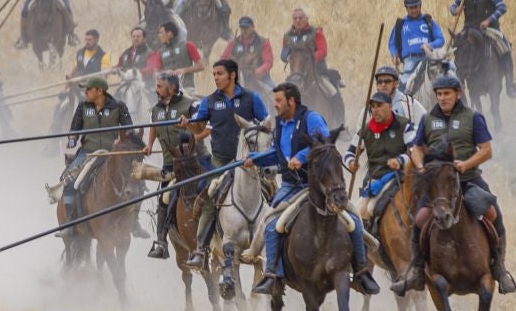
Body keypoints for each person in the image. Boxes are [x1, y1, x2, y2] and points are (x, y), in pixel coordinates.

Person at [248, 83, 378, 298]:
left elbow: (324, 144)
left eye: (279, 100)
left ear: (291, 101)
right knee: (271, 225)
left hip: (319, 186)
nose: (275, 104)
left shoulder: (312, 119)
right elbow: (277, 155)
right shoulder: (279, 123)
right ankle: (273, 275)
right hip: (290, 186)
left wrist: (300, 158)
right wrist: (254, 160)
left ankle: (361, 272)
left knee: (354, 219)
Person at [403, 74, 514, 294]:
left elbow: (486, 150)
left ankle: (499, 268)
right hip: (438, 185)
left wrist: (465, 164)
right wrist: (421, 166)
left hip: (468, 179)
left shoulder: (473, 117)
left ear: (458, 94)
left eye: (447, 93)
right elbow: (416, 148)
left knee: (494, 214)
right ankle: (416, 270)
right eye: (439, 94)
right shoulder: (427, 119)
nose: (442, 98)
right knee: (419, 220)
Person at [179, 58, 273, 269]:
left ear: (233, 75)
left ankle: (278, 244)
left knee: (272, 191)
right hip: (220, 162)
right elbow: (198, 128)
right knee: (210, 197)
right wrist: (189, 125)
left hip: (250, 162)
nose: (215, 78)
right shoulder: (210, 101)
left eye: (219, 73)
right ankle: (200, 249)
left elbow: (267, 124)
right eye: (213, 74)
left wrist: (262, 147)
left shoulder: (252, 99)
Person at [58, 77, 134, 225]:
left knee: (135, 183)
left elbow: (129, 132)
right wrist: (72, 139)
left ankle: (134, 222)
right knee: (69, 182)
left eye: (88, 89)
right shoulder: (82, 107)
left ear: (99, 91)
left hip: (112, 154)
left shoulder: (119, 107)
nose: (85, 92)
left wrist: (124, 143)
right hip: (87, 153)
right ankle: (70, 222)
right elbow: (74, 130)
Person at [140, 72, 196, 259]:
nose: (156, 90)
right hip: (169, 165)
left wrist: (190, 127)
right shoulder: (155, 109)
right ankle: (161, 242)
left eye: (160, 87)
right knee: (163, 199)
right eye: (156, 86)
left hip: (190, 162)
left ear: (172, 88)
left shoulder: (189, 105)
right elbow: (154, 126)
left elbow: (202, 127)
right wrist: (149, 145)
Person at [344, 90, 415, 234]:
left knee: (372, 208)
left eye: (379, 106)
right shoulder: (366, 130)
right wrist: (351, 163)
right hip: (375, 179)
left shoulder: (404, 125)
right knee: (357, 214)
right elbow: (349, 153)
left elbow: (414, 152)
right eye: (373, 107)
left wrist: (400, 160)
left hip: (400, 177)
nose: (375, 111)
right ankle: (365, 248)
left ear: (389, 106)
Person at [449, 0, 516, 97]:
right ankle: (459, 86)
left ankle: (510, 83)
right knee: (457, 50)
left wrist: (489, 20)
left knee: (505, 48)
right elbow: (453, 6)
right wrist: (455, 10)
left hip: (488, 29)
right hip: (468, 29)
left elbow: (502, 7)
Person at [386, 0, 446, 87]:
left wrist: (430, 45)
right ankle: (402, 101)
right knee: (403, 86)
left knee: (448, 75)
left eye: (416, 7)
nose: (414, 10)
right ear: (406, 8)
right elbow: (392, 44)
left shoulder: (428, 21)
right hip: (410, 60)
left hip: (429, 58)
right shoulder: (400, 24)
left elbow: (441, 39)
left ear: (420, 6)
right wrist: (394, 55)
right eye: (411, 8)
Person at [281, 7, 336, 89]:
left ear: (306, 19)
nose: (298, 20)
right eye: (295, 18)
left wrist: (311, 58)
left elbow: (323, 51)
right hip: (296, 72)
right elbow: (283, 54)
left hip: (317, 70)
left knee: (331, 91)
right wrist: (288, 57)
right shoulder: (288, 36)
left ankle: (337, 101)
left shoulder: (316, 33)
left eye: (300, 18)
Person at [220, 17, 274, 91]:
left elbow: (268, 62)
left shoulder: (263, 42)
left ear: (253, 27)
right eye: (242, 28)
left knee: (275, 93)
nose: (244, 30)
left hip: (261, 78)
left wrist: (257, 71)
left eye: (247, 27)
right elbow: (223, 59)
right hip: (238, 79)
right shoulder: (233, 43)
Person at [152, 21, 203, 91]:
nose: (159, 35)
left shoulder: (188, 45)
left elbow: (200, 66)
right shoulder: (159, 52)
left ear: (169, 34)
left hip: (187, 89)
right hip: (167, 91)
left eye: (161, 32)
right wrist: (165, 73)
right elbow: (155, 74)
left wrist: (184, 70)